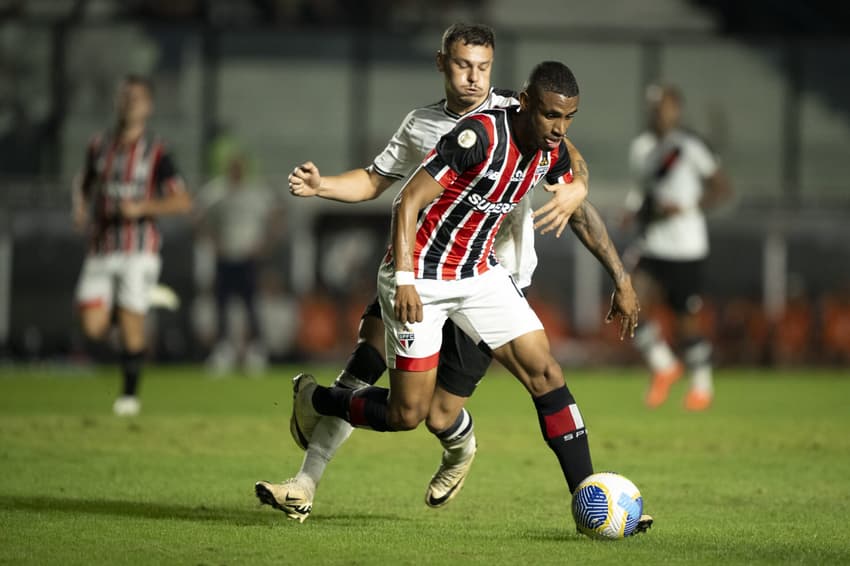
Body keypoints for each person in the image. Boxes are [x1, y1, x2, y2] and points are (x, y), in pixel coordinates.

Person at [256, 25, 638, 524]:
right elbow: (395, 194)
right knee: (404, 409)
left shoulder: (538, 128)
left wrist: (613, 260)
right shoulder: (466, 132)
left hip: (486, 273)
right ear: (442, 64)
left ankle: (590, 499)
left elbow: (573, 171)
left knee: (536, 375)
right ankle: (312, 436)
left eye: (483, 66)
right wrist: (401, 269)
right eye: (463, 65)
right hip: (422, 277)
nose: (474, 77)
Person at [71, 74, 192, 416]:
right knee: (93, 328)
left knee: (130, 328)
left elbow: (182, 200)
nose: (129, 103)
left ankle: (128, 398)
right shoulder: (99, 145)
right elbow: (84, 182)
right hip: (101, 246)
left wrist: (142, 207)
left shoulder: (156, 151)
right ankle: (138, 300)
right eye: (125, 97)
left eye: (136, 98)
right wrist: (79, 207)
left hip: (138, 250)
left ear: (148, 106)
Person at [623, 83, 731, 411]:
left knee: (686, 322)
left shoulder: (689, 146)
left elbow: (721, 188)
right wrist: (637, 211)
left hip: (686, 247)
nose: (659, 112)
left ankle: (702, 385)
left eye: (665, 106)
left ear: (677, 109)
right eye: (655, 107)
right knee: (628, 303)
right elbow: (645, 193)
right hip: (652, 244)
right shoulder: (641, 148)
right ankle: (664, 366)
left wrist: (688, 207)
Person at [195, 152, 282, 375]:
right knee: (222, 304)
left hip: (248, 257)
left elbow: (276, 214)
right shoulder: (217, 191)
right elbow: (198, 214)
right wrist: (212, 241)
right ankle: (223, 350)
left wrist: (265, 243)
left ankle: (256, 351)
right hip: (225, 256)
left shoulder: (255, 193)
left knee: (251, 304)